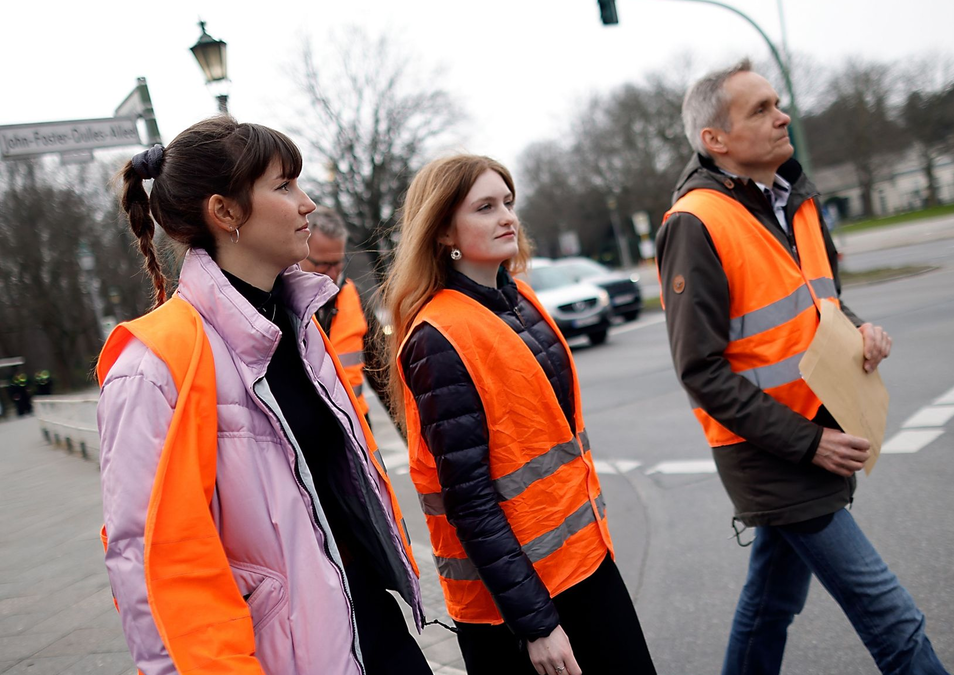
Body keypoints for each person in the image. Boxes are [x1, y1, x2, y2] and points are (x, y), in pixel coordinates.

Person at [97, 117, 431, 675]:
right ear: (224, 212)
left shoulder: (298, 325)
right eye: (283, 186)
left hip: (370, 625)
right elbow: (155, 572)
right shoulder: (151, 368)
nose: (307, 203)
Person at [655, 60, 949, 675]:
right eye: (760, 109)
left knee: (771, 605)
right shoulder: (696, 222)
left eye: (777, 103)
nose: (782, 115)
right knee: (894, 620)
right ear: (716, 140)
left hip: (819, 431)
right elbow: (700, 369)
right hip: (776, 453)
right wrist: (809, 443)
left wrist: (861, 329)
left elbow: (821, 304)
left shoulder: (794, 200)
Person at [385, 155, 657, 675]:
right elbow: (470, 501)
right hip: (518, 605)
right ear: (443, 230)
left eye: (508, 202)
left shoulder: (519, 298)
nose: (507, 216)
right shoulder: (437, 337)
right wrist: (536, 624)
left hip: (583, 566)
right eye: (485, 207)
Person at [299, 206, 372, 423]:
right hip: (311, 431)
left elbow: (383, 377)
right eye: (322, 265)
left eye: (338, 263)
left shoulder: (354, 295)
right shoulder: (279, 301)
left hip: (357, 422)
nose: (332, 274)